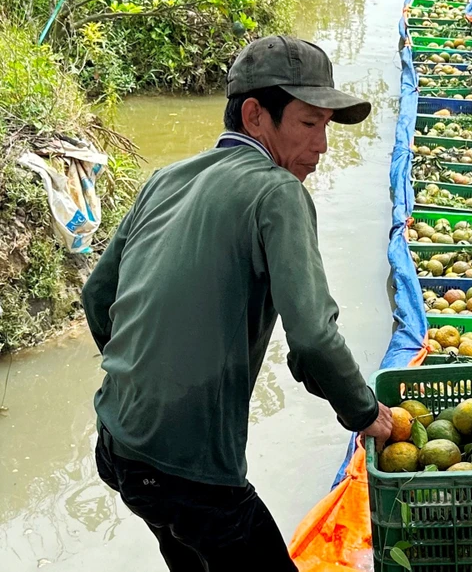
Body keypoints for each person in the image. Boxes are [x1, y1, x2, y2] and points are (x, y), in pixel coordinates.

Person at [82, 35, 393, 571]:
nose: (321, 146)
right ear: (255, 116)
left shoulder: (165, 179)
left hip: (117, 443)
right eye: (308, 124)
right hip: (191, 472)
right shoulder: (277, 192)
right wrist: (365, 412)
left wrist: (151, 376)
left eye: (325, 127)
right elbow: (315, 340)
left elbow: (98, 298)